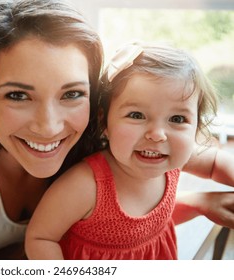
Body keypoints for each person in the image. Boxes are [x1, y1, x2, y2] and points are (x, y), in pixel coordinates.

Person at [0, 0, 234, 260]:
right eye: (18, 95)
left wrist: (199, 203)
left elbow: (123, 226)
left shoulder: (111, 129)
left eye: (72, 93)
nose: (48, 126)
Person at [25, 42, 234, 260]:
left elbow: (216, 162)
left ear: (197, 125)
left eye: (177, 119)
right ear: (104, 122)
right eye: (136, 115)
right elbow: (41, 238)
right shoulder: (86, 185)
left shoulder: (174, 157)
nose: (157, 134)